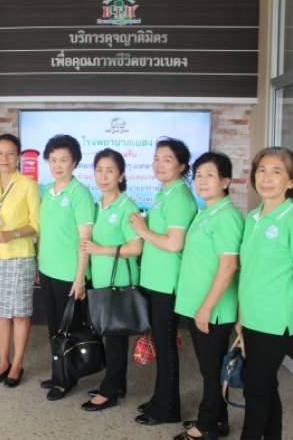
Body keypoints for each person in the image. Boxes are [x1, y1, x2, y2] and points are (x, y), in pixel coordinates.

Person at [238, 147, 293, 440]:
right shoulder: (253, 217)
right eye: (261, 170)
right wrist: (241, 316)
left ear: (291, 181)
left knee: (255, 388)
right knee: (265, 385)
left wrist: (284, 297)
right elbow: (250, 272)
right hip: (251, 317)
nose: (266, 178)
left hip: (274, 319)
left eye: (276, 171)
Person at [173, 152, 243, 439]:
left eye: (210, 175)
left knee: (211, 370)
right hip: (198, 304)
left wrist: (205, 308)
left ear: (225, 181)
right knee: (208, 368)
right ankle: (219, 420)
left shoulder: (226, 216)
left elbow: (229, 266)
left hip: (212, 309)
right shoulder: (207, 212)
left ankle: (206, 427)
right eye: (198, 175)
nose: (202, 181)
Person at [129, 137, 197, 425]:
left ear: (181, 166)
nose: (159, 164)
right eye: (156, 158)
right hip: (155, 280)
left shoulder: (179, 196)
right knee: (160, 342)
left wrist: (143, 231)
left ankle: (168, 409)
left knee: (166, 347)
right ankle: (160, 399)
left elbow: (174, 243)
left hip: (168, 283)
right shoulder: (165, 192)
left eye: (167, 159)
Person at [80, 148, 142, 411]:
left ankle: (109, 392)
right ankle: (117, 384)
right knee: (110, 336)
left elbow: (136, 247)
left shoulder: (127, 206)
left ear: (121, 175)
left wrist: (100, 249)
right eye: (99, 170)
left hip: (120, 283)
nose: (103, 176)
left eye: (110, 170)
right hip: (102, 281)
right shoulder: (97, 206)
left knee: (115, 340)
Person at [0, 133, 40, 388]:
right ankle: (3, 361)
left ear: (18, 156)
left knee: (20, 313)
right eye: (0, 153)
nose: (5, 158)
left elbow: (36, 224)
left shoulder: (28, 185)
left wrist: (11, 233)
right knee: (0, 312)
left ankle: (17, 363)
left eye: (10, 153)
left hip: (20, 255)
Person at [38, 134, 95, 401]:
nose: (58, 165)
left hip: (69, 275)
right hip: (48, 270)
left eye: (64, 159)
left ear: (75, 162)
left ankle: (66, 380)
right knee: (54, 328)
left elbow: (85, 240)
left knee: (69, 330)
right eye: (53, 159)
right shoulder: (48, 192)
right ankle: (58, 372)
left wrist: (80, 278)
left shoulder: (80, 194)